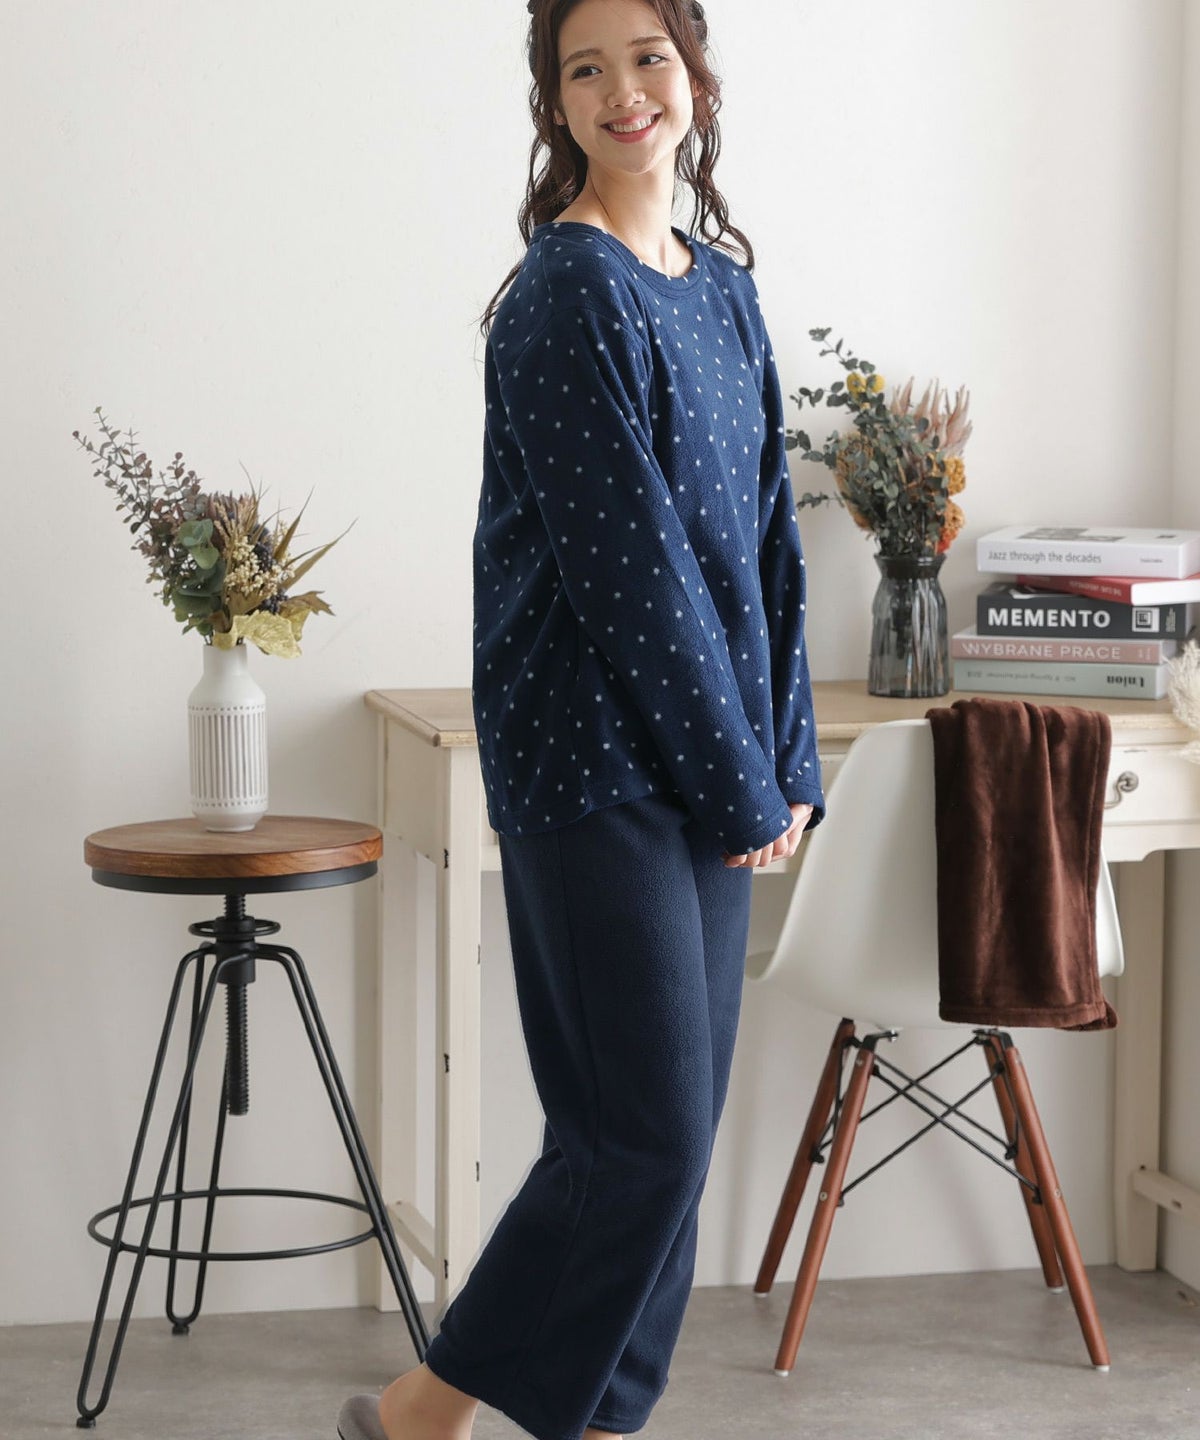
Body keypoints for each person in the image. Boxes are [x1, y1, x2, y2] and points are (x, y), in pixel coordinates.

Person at [338, 2, 823, 1438]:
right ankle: (423, 1413)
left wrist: (788, 758)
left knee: (666, 1146)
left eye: (648, 58)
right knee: (639, 1140)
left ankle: (558, 1422)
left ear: (695, 75)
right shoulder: (566, 296)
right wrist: (743, 784)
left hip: (714, 761)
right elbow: (637, 583)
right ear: (555, 102)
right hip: (593, 758)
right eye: (585, 69)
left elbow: (769, 546)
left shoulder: (723, 292)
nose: (624, 92)